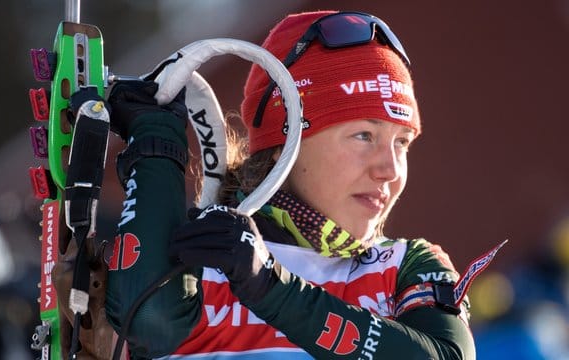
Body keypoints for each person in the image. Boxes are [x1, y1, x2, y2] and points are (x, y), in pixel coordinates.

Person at [104, 10, 476, 360]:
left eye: (402, 142)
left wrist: (269, 284)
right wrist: (155, 142)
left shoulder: (404, 265)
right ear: (289, 142)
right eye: (364, 135)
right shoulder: (201, 252)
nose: (390, 169)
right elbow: (149, 321)